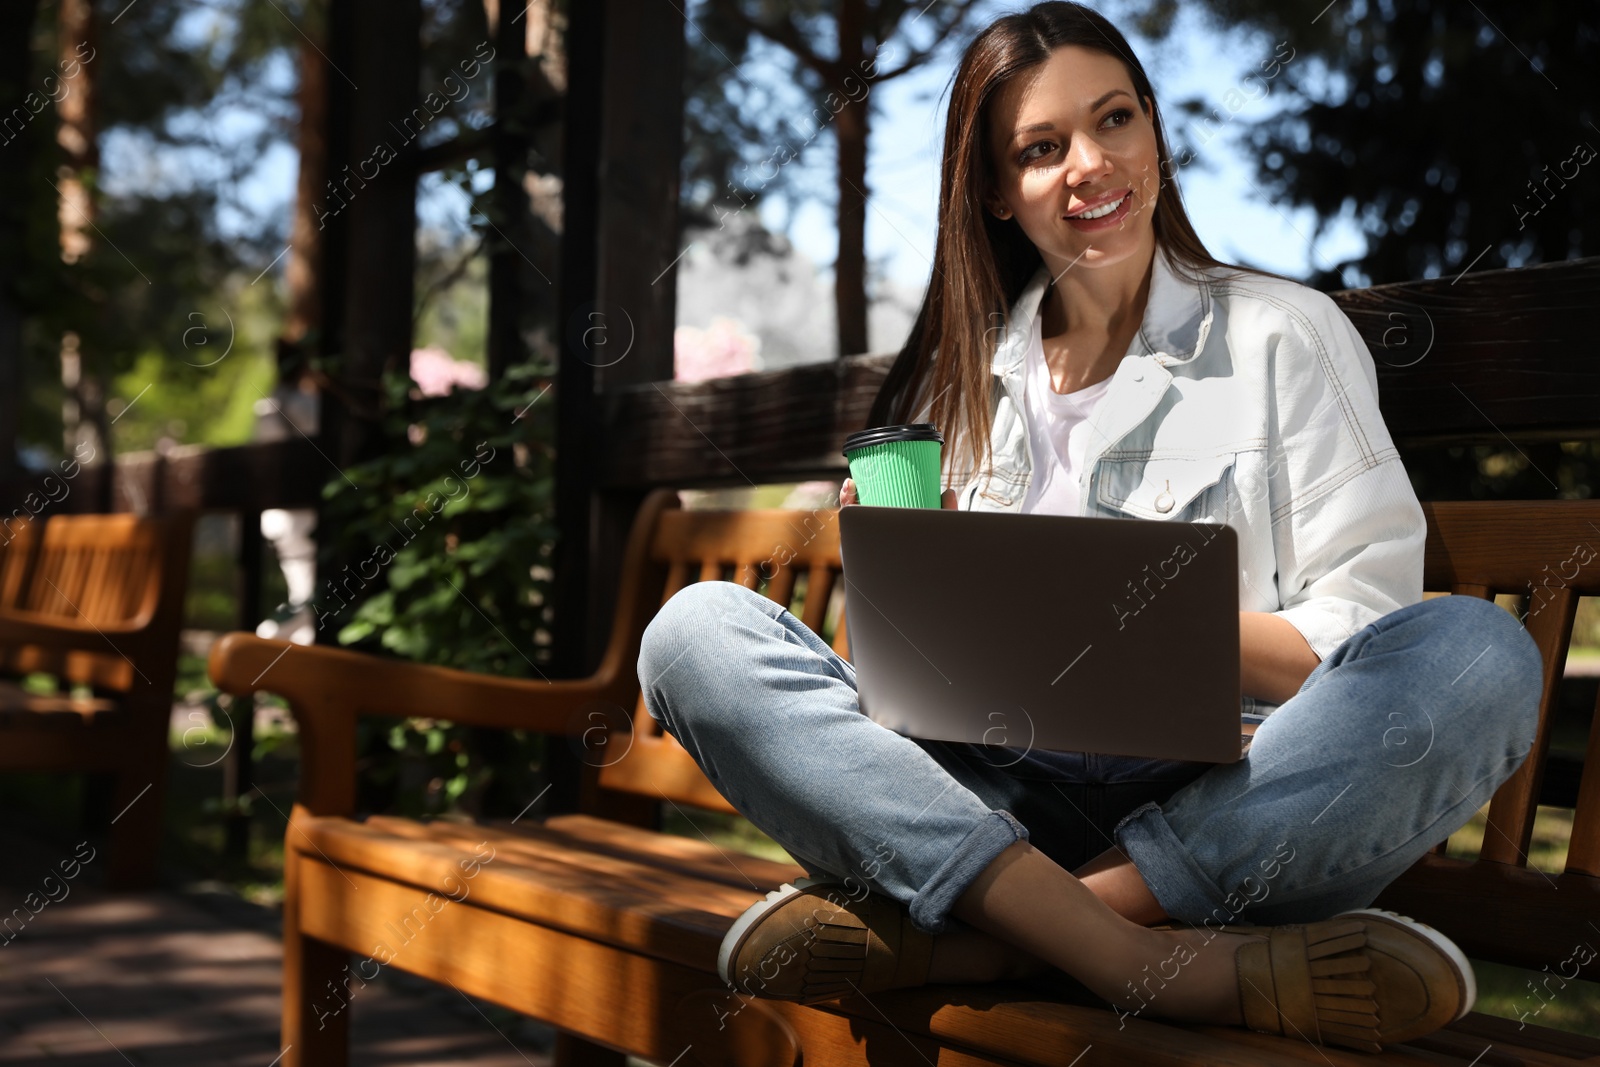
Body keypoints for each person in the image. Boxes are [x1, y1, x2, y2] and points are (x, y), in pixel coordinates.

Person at [637, 1, 1543, 1052]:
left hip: (1227, 803)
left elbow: (1361, 643)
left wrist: (1132, 627)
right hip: (991, 792)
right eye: (1039, 146)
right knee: (695, 631)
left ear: (1152, 130)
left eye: (1114, 119)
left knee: (1476, 656)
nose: (1090, 162)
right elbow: (905, 700)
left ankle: (1001, 934)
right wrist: (911, 584)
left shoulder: (1281, 334)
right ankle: (1143, 962)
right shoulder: (965, 375)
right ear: (992, 189)